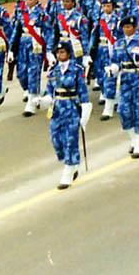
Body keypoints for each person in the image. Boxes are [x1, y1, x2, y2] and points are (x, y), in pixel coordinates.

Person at [106, 15, 139, 158]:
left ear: (135, 27)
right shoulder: (119, 43)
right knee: (123, 111)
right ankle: (133, 138)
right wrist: (113, 69)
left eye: (129, 27)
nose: (126, 29)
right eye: (124, 27)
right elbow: (116, 61)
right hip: (125, 81)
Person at [44, 41, 91, 189]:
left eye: (62, 52)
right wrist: (43, 100)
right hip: (57, 109)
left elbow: (83, 92)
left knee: (70, 141)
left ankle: (68, 173)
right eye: (58, 53)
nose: (60, 55)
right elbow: (50, 92)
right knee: (56, 140)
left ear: (69, 53)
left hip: (71, 107)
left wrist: (85, 112)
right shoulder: (53, 71)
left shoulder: (76, 70)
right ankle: (71, 162)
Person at [10, 0, 53, 117]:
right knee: (21, 73)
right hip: (23, 44)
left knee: (33, 72)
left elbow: (49, 32)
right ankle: (30, 92)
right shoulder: (21, 13)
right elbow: (16, 32)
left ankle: (31, 102)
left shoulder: (42, 15)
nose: (28, 1)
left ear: (36, 0)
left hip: (36, 45)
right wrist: (11, 49)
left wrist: (49, 50)